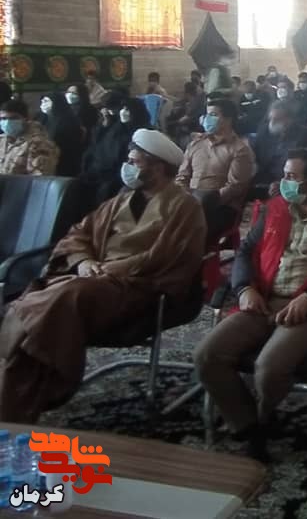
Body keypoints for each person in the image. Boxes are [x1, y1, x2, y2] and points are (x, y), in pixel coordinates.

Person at [0, 129, 204, 421]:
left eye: (134, 162)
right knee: (38, 304)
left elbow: (169, 257)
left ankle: (34, 386)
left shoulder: (185, 207)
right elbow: (79, 234)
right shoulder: (120, 200)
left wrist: (112, 269)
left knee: (64, 297)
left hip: (137, 287)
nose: (128, 167)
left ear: (158, 167)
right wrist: (83, 261)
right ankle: (18, 389)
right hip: (92, 278)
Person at [195, 148, 307, 461]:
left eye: (291, 176)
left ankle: (262, 418)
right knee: (207, 355)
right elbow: (246, 251)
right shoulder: (276, 208)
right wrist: (244, 287)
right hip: (264, 296)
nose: (283, 182)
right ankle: (248, 424)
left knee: (269, 368)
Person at [175, 99, 255, 237]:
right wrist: (185, 196)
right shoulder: (196, 144)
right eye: (207, 114)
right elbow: (182, 176)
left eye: (213, 115)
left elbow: (235, 187)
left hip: (219, 206)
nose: (207, 118)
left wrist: (206, 201)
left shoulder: (239, 150)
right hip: (190, 200)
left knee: (186, 232)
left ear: (228, 119)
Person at [80, 95, 148, 208]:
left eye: (127, 109)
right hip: (99, 171)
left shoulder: (143, 132)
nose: (123, 112)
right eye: (122, 108)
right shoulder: (116, 128)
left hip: (117, 176)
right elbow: (99, 148)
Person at [251, 102, 307, 199]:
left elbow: (304, 168)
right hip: (261, 178)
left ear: (289, 120)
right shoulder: (264, 130)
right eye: (270, 119)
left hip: (285, 181)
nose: (271, 123)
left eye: (277, 120)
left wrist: (283, 183)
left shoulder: (304, 135)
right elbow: (253, 155)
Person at [0, 98, 59, 176]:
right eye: (3, 118)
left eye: (13, 118)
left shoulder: (39, 144)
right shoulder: (2, 140)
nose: (7, 122)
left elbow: (38, 179)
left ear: (26, 119)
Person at [37, 92, 84, 177]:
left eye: (46, 101)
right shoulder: (45, 119)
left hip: (64, 163)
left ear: (56, 103)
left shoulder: (68, 121)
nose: (42, 104)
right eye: (42, 101)